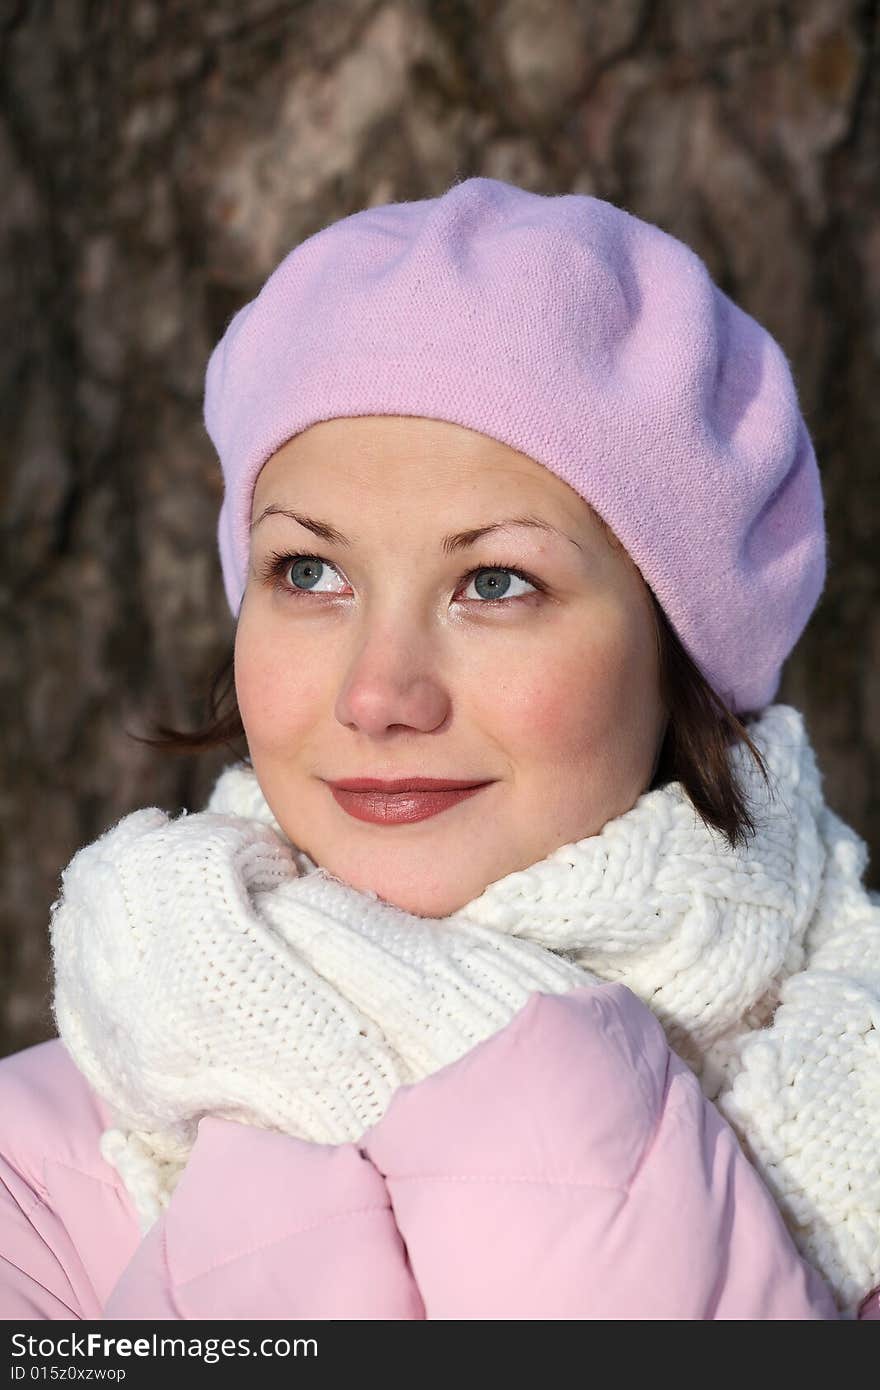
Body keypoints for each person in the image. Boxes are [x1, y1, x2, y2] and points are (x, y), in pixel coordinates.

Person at [1, 177, 876, 1320]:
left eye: (496, 581)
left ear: (683, 652)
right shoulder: (33, 1179)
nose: (377, 695)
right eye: (308, 573)